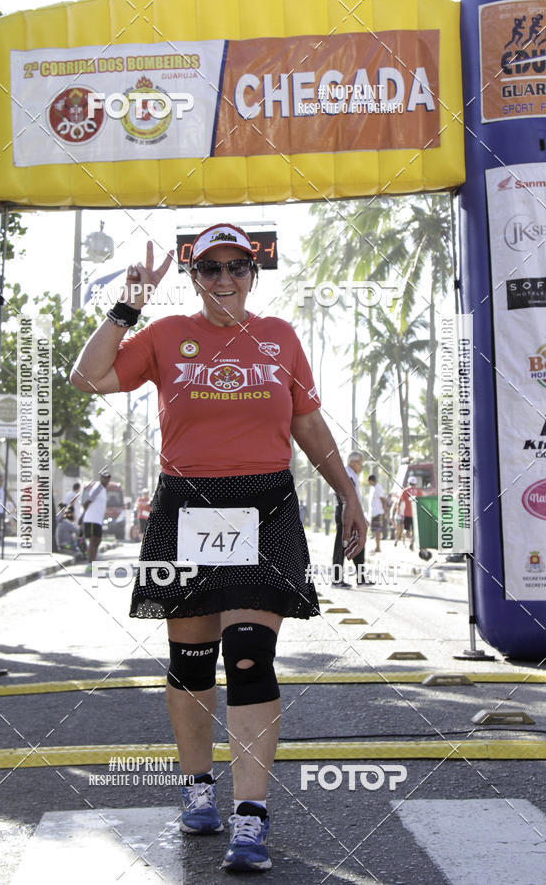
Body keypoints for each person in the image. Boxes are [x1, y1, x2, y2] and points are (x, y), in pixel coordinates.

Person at [70, 224, 367, 873]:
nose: (225, 279)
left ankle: (251, 818)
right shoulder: (165, 336)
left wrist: (347, 491)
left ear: (255, 273)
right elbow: (87, 378)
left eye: (237, 267)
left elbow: (307, 422)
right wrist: (128, 306)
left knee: (251, 658)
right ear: (195, 278)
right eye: (211, 270)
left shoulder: (281, 337)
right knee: (192, 661)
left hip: (266, 506)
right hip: (187, 507)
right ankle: (198, 787)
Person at [332, 451, 372, 588]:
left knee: (358, 542)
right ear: (352, 462)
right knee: (342, 544)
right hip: (346, 512)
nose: (362, 466)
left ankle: (361, 578)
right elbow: (342, 495)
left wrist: (361, 516)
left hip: (355, 513)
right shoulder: (346, 473)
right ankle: (336, 580)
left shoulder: (353, 475)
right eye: (360, 463)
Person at [80, 471, 111, 572]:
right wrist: (83, 515)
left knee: (97, 541)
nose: (106, 479)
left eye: (108, 478)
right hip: (91, 519)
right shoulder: (98, 488)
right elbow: (87, 501)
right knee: (93, 541)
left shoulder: (103, 489)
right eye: (104, 477)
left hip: (97, 520)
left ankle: (93, 564)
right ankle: (89, 564)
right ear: (100, 478)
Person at [397, 475, 419, 550]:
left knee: (406, 529)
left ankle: (404, 541)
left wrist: (398, 510)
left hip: (407, 513)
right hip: (415, 514)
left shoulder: (405, 491)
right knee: (413, 529)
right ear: (416, 483)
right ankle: (411, 542)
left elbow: (400, 501)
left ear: (409, 483)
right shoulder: (418, 491)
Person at [367, 474, 387, 553]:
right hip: (374, 512)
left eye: (369, 481)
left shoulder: (378, 487)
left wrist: (385, 512)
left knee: (377, 530)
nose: (368, 483)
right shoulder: (373, 488)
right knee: (375, 530)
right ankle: (377, 546)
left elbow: (383, 500)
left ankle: (378, 547)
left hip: (378, 512)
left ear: (372, 480)